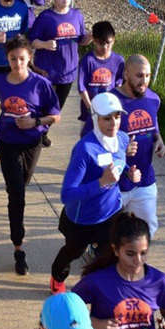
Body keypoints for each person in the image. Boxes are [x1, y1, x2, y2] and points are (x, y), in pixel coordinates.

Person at [49, 92, 141, 295]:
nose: (113, 123)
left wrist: (129, 174)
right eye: (107, 118)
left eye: (117, 116)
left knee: (112, 253)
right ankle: (57, 277)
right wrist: (101, 182)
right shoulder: (84, 149)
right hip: (82, 220)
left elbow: (118, 167)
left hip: (111, 212)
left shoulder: (123, 139)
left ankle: (105, 286)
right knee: (73, 252)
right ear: (95, 118)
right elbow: (67, 194)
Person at [0, 36, 61, 276]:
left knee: (23, 184)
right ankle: (19, 248)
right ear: (7, 58)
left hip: (32, 143)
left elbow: (55, 115)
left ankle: (17, 193)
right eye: (12, 59)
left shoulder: (40, 84)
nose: (17, 63)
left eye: (21, 58)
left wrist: (35, 121)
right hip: (7, 141)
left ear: (29, 58)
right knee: (17, 195)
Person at [29, 0, 90, 146]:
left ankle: (43, 133)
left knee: (56, 108)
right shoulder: (46, 17)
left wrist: (90, 37)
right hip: (47, 69)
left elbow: (81, 40)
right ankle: (35, 133)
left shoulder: (77, 15)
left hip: (68, 71)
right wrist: (44, 44)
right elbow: (32, 40)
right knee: (42, 105)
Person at [113, 55, 165, 238]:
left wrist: (158, 138)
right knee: (107, 230)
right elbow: (93, 141)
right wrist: (121, 151)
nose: (144, 81)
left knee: (148, 227)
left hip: (144, 178)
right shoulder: (110, 102)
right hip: (114, 180)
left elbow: (153, 122)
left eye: (148, 76)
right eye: (139, 76)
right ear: (126, 74)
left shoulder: (153, 99)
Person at [77, 21, 124, 137]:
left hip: (109, 110)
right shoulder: (88, 60)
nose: (105, 47)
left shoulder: (119, 61)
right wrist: (90, 107)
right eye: (101, 43)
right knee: (86, 138)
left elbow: (119, 86)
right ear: (94, 40)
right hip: (90, 110)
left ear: (113, 39)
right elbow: (82, 87)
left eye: (108, 43)